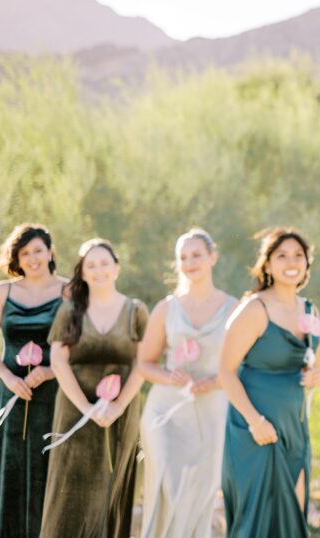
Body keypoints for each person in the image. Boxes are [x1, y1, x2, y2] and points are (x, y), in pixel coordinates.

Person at [218, 228, 320, 538]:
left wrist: (316, 376)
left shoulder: (310, 310)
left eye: (298, 255)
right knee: (257, 522)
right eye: (282, 256)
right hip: (256, 430)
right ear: (267, 265)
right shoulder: (255, 309)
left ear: (307, 263)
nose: (291, 261)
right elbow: (225, 371)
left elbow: (310, 362)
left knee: (293, 519)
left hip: (295, 428)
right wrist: (255, 422)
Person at [41, 238, 149, 538]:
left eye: (104, 263)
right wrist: (86, 409)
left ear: (117, 268)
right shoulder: (70, 310)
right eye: (91, 265)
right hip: (74, 412)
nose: (98, 270)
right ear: (83, 272)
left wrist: (118, 407)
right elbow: (59, 362)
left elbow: (143, 363)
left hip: (121, 414)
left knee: (110, 489)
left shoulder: (135, 310)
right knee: (69, 492)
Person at [138, 228, 236, 538]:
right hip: (166, 410)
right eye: (183, 257)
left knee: (201, 491)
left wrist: (217, 380)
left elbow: (244, 366)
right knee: (167, 480)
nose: (189, 262)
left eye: (196, 255)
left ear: (212, 257)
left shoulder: (235, 309)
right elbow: (144, 363)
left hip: (212, 410)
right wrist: (170, 376)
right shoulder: (167, 308)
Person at [0, 224, 66, 537]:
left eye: (38, 250)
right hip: (12, 393)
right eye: (25, 253)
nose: (33, 258)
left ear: (50, 252)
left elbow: (81, 346)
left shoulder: (70, 290)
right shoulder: (2, 291)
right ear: (16, 259)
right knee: (10, 469)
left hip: (54, 393)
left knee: (46, 471)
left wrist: (50, 371)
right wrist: (7, 377)